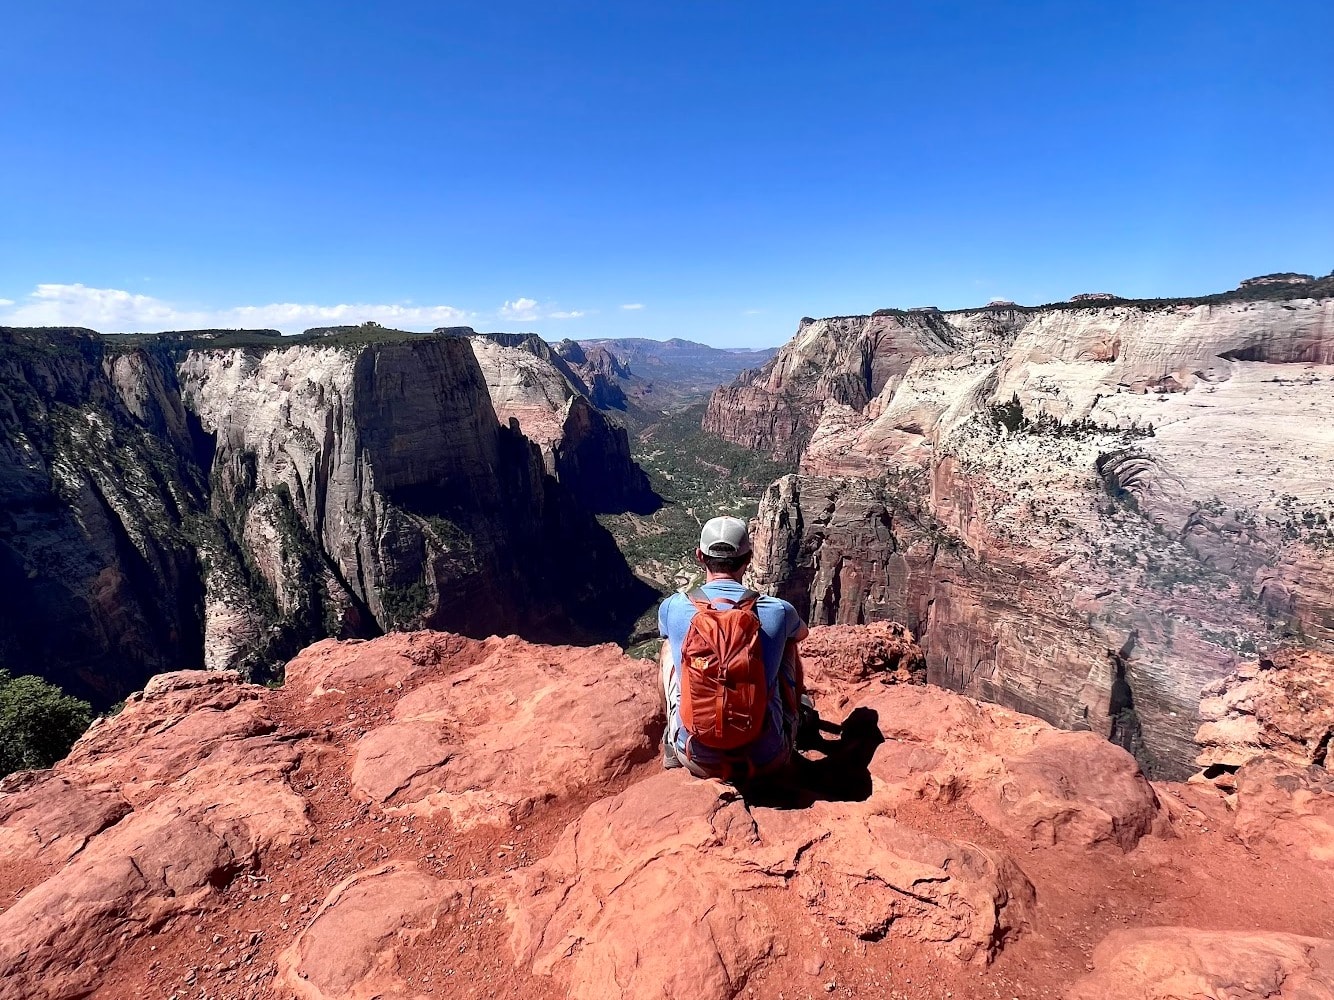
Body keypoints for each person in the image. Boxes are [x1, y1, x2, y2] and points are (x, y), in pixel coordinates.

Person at [658, 515, 809, 782]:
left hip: (695, 757)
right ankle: (795, 718)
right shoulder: (778, 610)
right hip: (766, 758)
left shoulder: (673, 607)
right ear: (749, 559)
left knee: (668, 648)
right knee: (788, 645)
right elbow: (802, 634)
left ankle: (672, 739)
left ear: (699, 556)